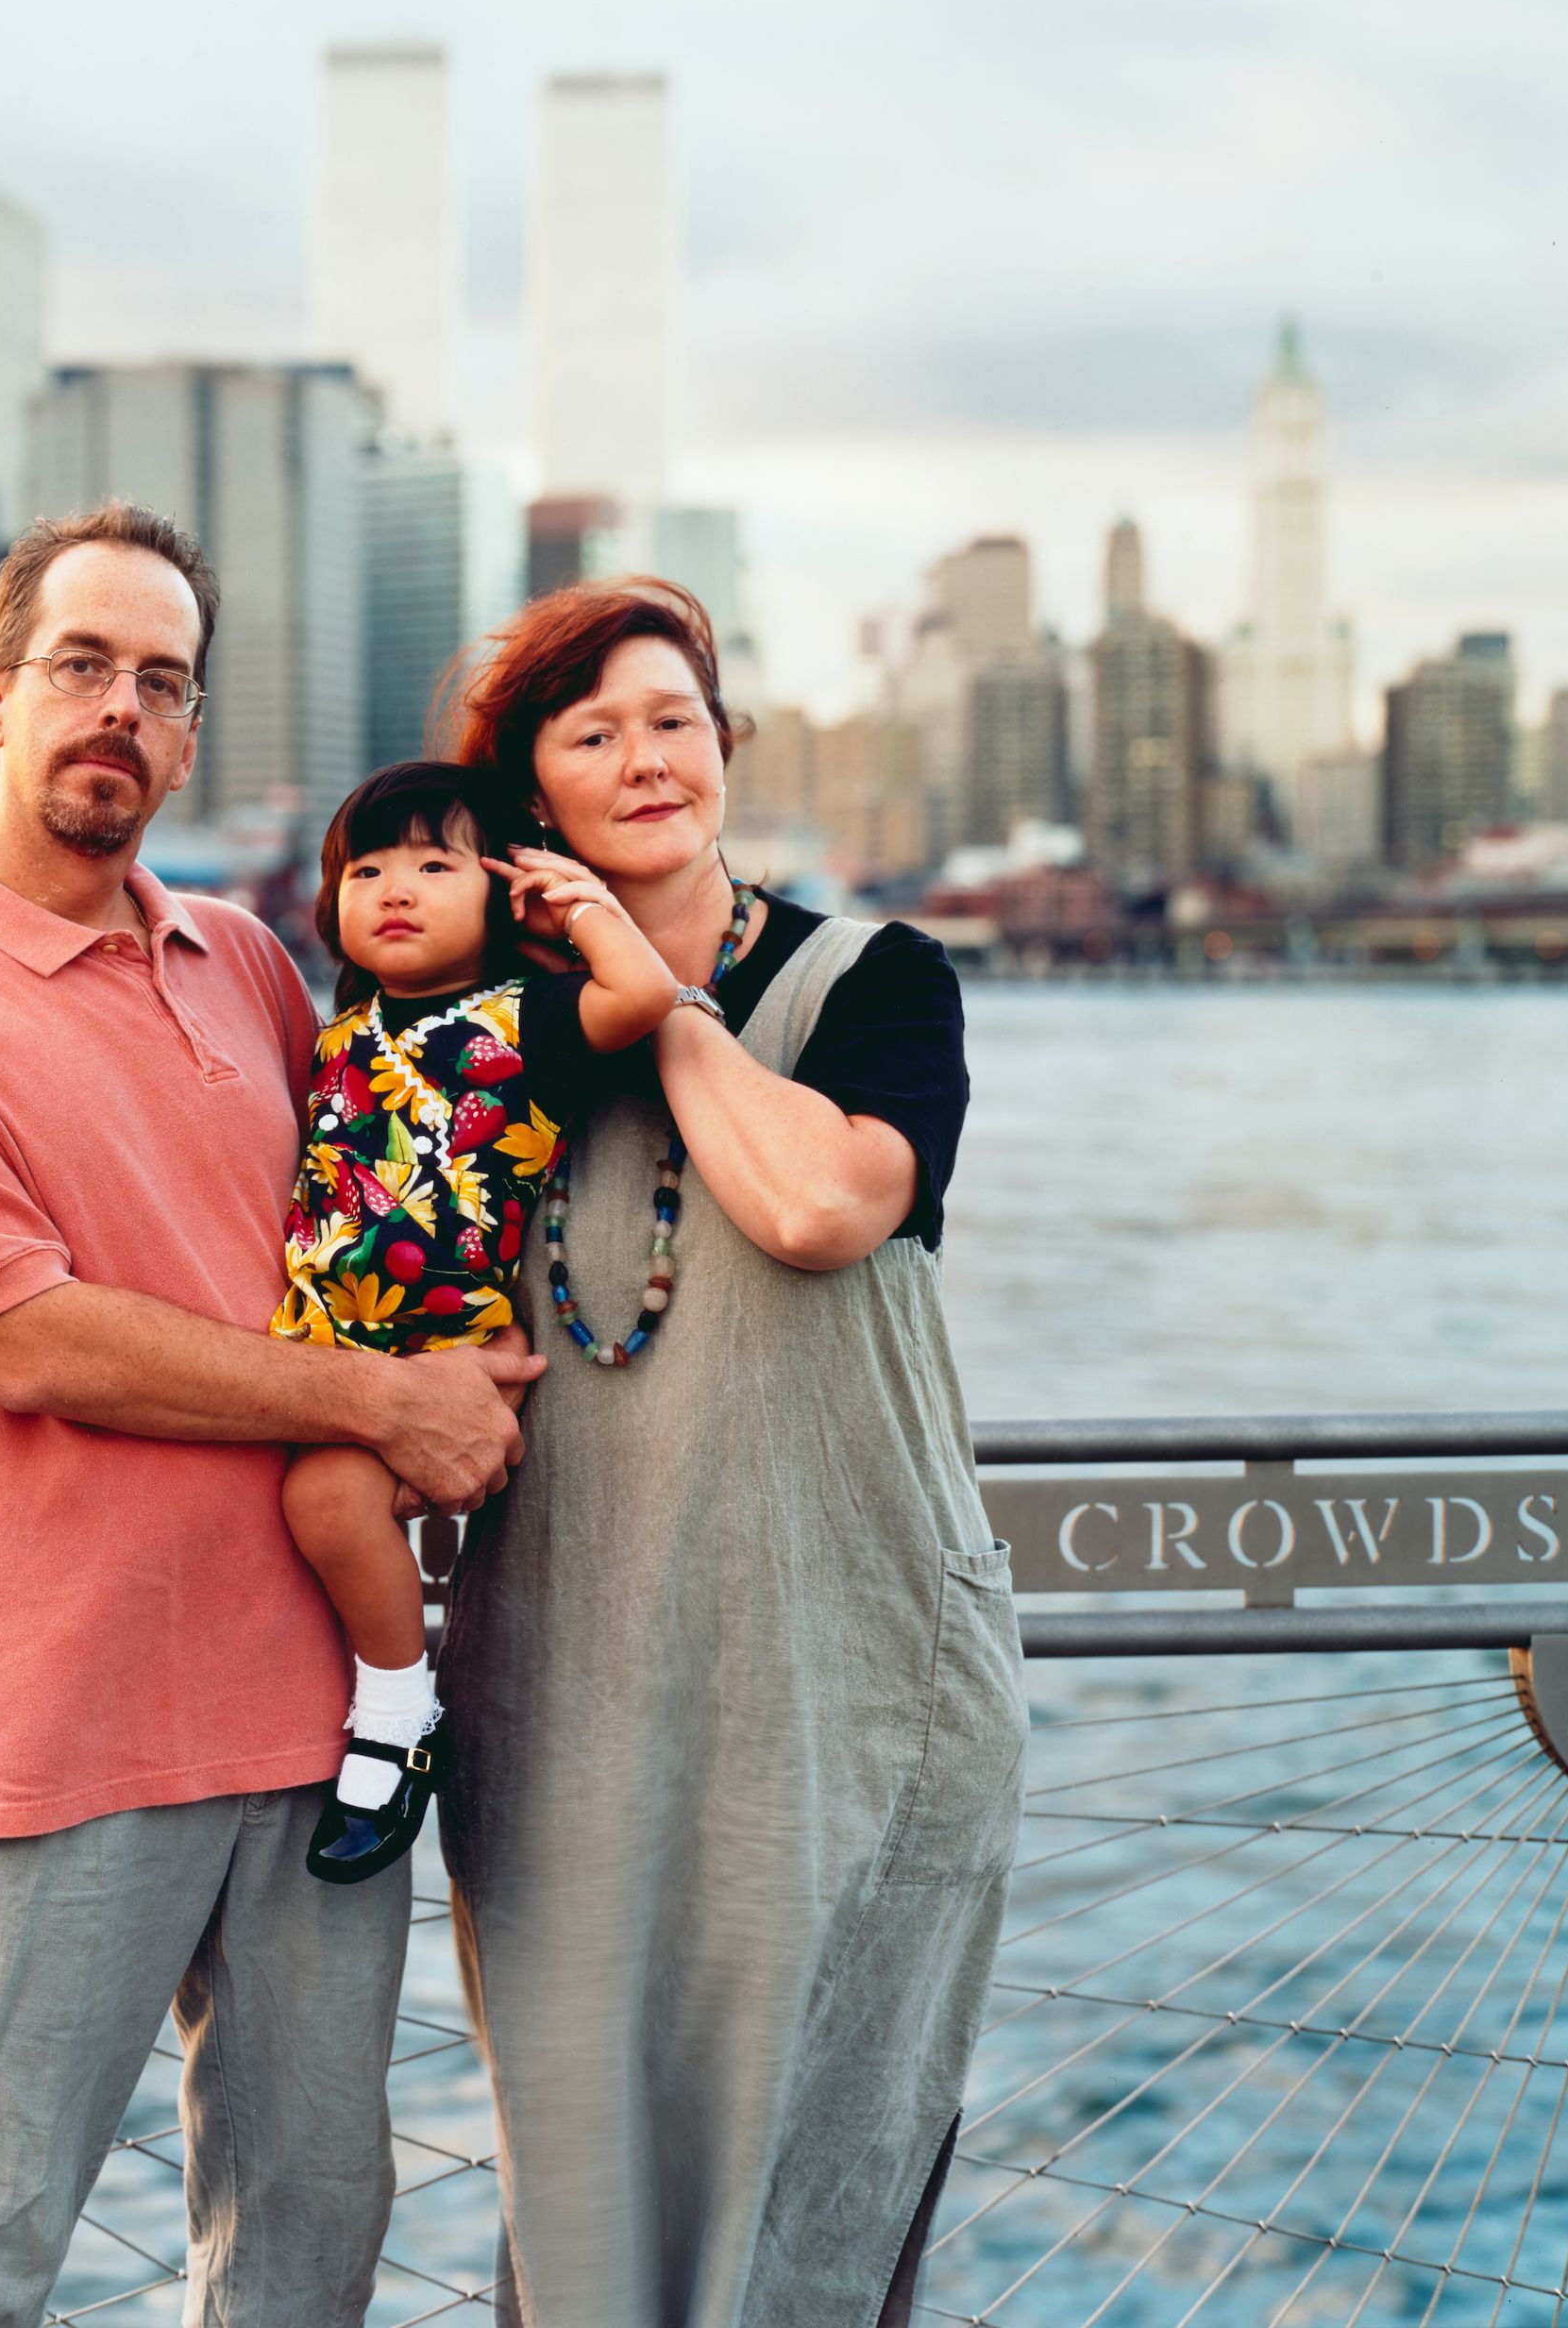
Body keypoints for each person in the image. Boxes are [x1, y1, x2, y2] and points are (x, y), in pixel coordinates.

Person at [0, 502, 541, 2328]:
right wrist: (383, 1403)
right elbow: (32, 1343)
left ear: (190, 731)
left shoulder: (253, 965)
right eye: (80, 666)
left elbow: (384, 1207)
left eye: (162, 680)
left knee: (305, 2250)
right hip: (56, 1737)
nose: (119, 709)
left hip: (315, 1725)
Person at [436, 578, 1027, 2328]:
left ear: (725, 746)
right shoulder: (476, 1029)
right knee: (585, 2222)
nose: (645, 760)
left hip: (845, 1693)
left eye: (672, 721)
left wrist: (660, 999)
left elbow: (815, 1207)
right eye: (592, 734)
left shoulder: (873, 983)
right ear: (530, 795)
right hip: (568, 1690)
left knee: (810, 2216)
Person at [270, 761, 691, 1883]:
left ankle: (396, 1714)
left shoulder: (523, 1019)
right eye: (365, 871)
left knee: (322, 1499)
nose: (394, 889)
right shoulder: (330, 1038)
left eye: (432, 865)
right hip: (316, 1349)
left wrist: (576, 904)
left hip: (435, 1353)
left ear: (503, 892)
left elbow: (644, 997)